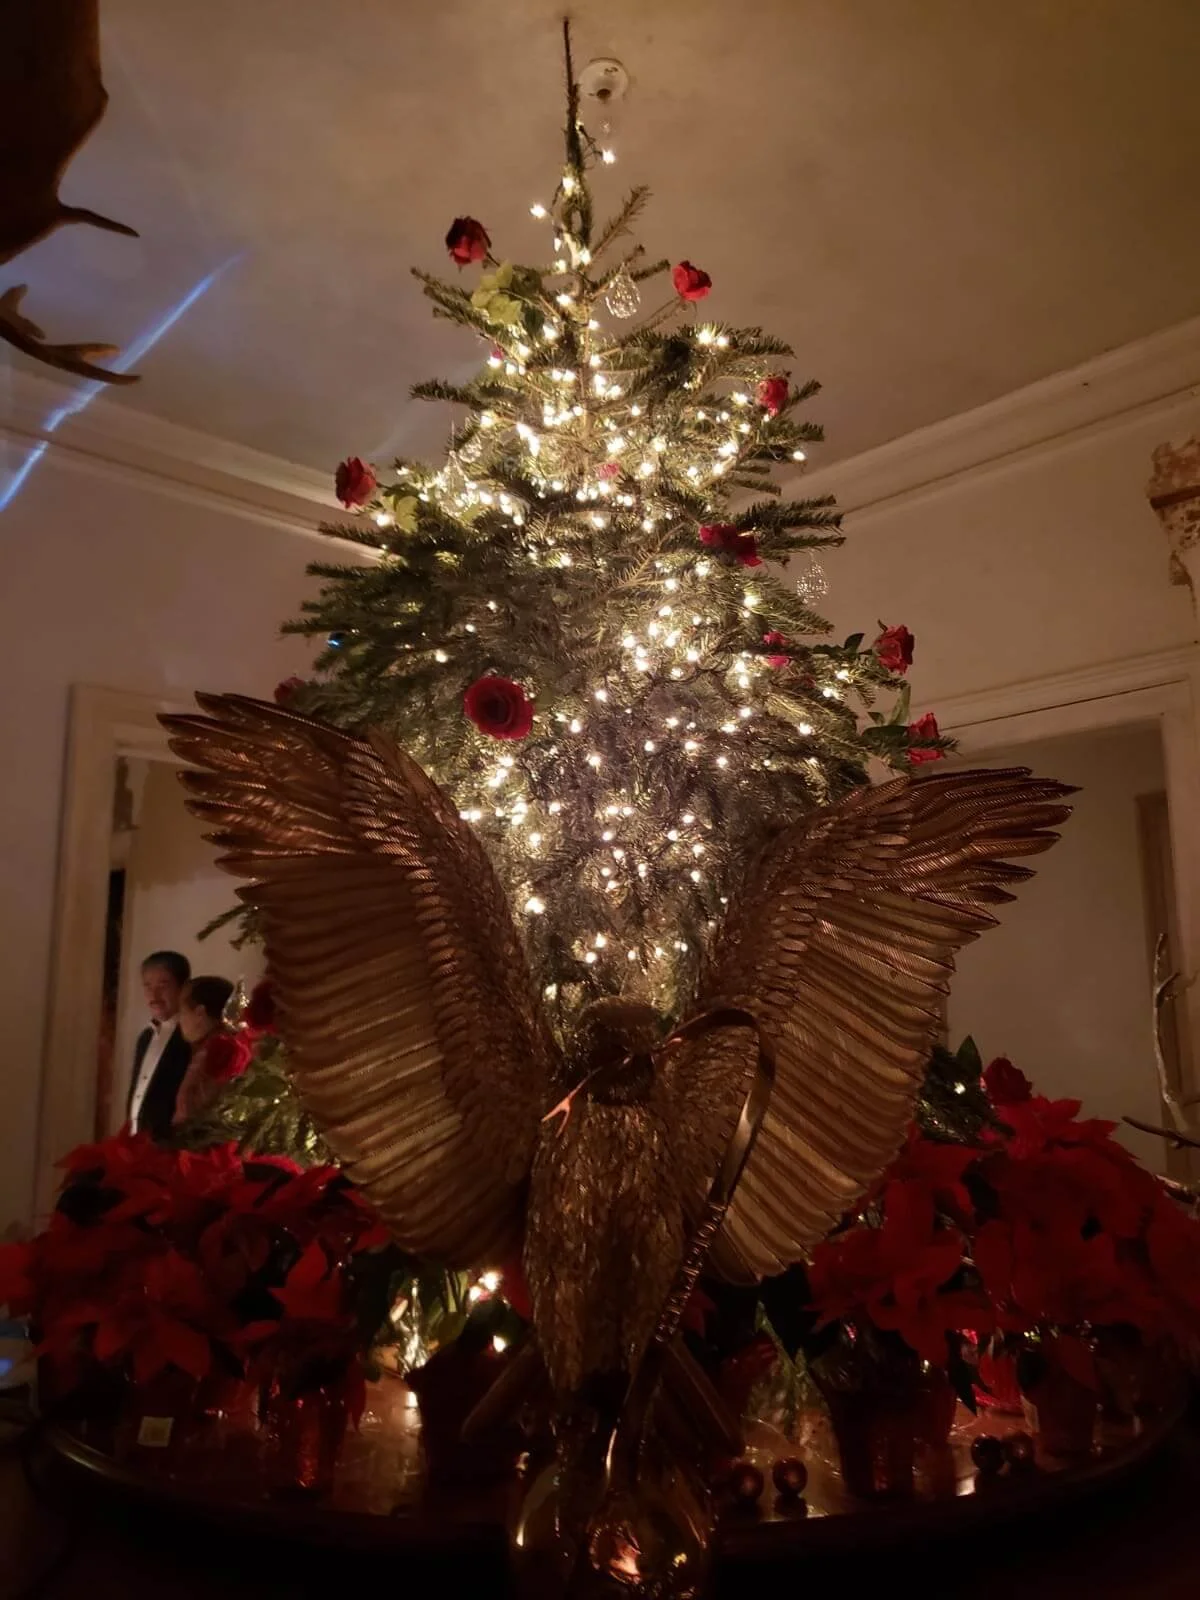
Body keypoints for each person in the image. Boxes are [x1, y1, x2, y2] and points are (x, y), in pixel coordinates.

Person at [127, 951, 192, 1140]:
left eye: (163, 986)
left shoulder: (188, 1036)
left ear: (183, 988)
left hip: (169, 1145)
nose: (153, 996)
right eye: (148, 986)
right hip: (137, 1143)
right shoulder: (146, 1036)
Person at [172, 975, 251, 1125]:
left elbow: (192, 1114)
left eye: (182, 1011)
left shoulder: (216, 1052)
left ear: (200, 1013)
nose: (179, 1020)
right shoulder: (227, 1045)